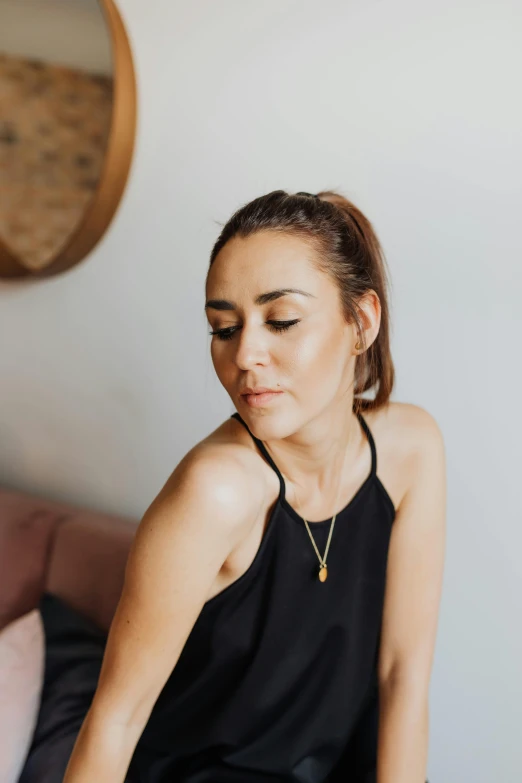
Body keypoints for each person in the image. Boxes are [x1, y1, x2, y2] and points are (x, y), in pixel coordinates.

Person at [63, 189, 446, 783]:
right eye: (223, 327)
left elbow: (403, 676)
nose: (245, 354)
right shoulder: (215, 491)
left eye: (282, 321)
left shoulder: (412, 450)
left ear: (361, 321)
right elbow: (117, 718)